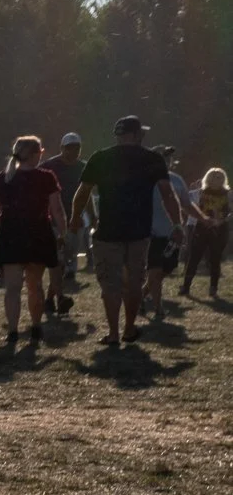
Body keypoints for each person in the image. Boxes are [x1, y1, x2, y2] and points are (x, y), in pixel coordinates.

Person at [71, 115, 180, 347]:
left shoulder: (100, 157)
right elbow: (167, 194)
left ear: (118, 135)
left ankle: (112, 333)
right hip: (139, 231)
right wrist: (177, 224)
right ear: (138, 134)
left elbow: (82, 192)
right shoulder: (152, 159)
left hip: (108, 230)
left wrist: (74, 219)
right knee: (134, 282)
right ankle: (129, 329)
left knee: (110, 284)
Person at [0, 135, 65, 353]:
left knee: (12, 288)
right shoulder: (46, 178)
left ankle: (12, 330)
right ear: (33, 154)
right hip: (38, 233)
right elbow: (56, 209)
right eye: (40, 152)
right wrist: (63, 232)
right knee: (35, 285)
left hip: (11, 233)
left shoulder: (4, 177)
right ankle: (36, 326)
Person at [145, 147, 189, 315]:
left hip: (172, 233)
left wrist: (202, 219)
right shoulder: (144, 179)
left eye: (168, 158)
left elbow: (186, 204)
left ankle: (143, 293)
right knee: (155, 270)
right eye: (163, 158)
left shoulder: (177, 180)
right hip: (151, 232)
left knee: (167, 268)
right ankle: (158, 308)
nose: (167, 161)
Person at [47, 132, 87, 311]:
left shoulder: (84, 167)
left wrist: (92, 216)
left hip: (75, 220)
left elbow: (88, 192)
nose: (73, 151)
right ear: (62, 148)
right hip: (53, 220)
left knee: (63, 261)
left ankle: (50, 298)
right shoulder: (49, 166)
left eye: (77, 147)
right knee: (58, 260)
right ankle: (58, 298)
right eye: (70, 147)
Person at [181, 166, 227, 298]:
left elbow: (230, 211)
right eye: (213, 177)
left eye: (219, 177)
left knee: (215, 259)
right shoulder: (202, 192)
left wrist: (221, 220)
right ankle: (186, 286)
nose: (216, 179)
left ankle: (213, 288)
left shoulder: (227, 193)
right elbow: (195, 209)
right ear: (208, 178)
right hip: (202, 227)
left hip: (219, 229)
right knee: (194, 257)